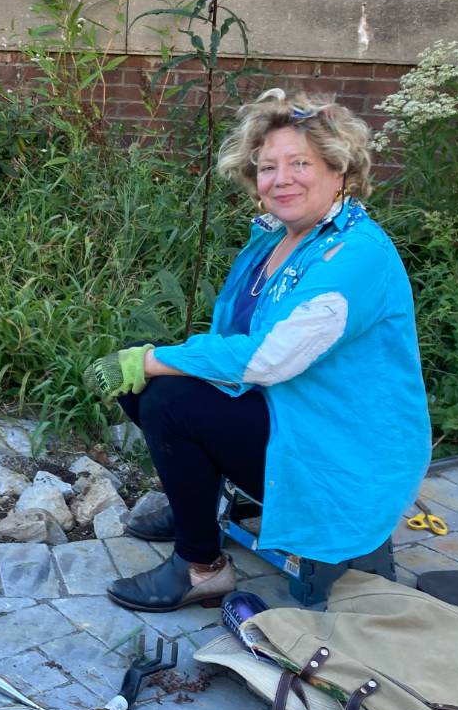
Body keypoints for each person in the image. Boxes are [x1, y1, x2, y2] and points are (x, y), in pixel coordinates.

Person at [85, 88, 431, 612]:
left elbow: (268, 359)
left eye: (300, 163)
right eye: (268, 167)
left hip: (343, 451)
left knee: (167, 398)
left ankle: (201, 565)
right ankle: (195, 505)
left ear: (339, 170)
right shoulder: (280, 236)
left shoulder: (355, 256)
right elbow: (234, 334)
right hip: (295, 414)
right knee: (151, 388)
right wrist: (158, 364)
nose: (281, 178)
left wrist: (155, 357)